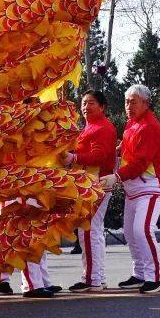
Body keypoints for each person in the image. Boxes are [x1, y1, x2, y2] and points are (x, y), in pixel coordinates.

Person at [99, 84, 160, 293]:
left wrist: (117, 176)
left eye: (133, 102)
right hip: (134, 187)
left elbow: (140, 162)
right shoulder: (132, 125)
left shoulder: (149, 126)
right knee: (130, 232)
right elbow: (131, 156)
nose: (128, 106)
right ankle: (140, 273)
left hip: (152, 186)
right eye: (127, 101)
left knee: (142, 230)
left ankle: (154, 277)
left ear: (145, 104)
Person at [63, 89, 118, 292]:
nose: (86, 107)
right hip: (90, 184)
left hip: (97, 184)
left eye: (91, 103)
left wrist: (74, 158)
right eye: (84, 103)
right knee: (91, 231)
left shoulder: (102, 128)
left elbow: (99, 157)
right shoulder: (90, 127)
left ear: (102, 107)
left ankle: (92, 279)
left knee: (88, 230)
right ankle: (97, 277)